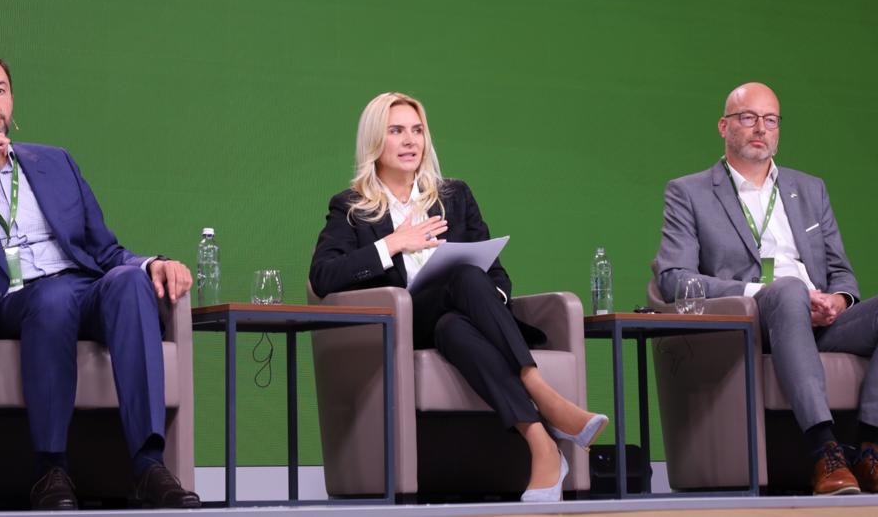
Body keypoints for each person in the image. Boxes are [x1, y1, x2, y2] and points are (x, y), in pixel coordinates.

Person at [0, 49, 201, 510]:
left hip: (81, 288)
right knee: (52, 297)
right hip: (8, 303)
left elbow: (105, 251)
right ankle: (51, 469)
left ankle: (148, 466)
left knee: (129, 283)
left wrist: (151, 263)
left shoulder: (55, 163)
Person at [309, 91, 608, 502]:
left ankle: (541, 444)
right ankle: (540, 391)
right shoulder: (351, 207)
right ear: (375, 140)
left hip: (457, 322)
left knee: (458, 310)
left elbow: (497, 276)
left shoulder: (454, 196)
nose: (410, 140)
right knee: (464, 277)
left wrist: (485, 299)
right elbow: (323, 276)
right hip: (404, 327)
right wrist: (393, 244)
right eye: (396, 131)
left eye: (417, 130)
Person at [654, 81, 878, 496]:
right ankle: (824, 451)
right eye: (748, 117)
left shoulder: (810, 189)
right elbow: (674, 278)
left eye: (770, 120)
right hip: (752, 323)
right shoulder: (689, 192)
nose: (761, 128)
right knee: (788, 289)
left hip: (820, 320)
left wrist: (837, 300)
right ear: (724, 126)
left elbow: (842, 273)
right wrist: (760, 293)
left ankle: (870, 451)